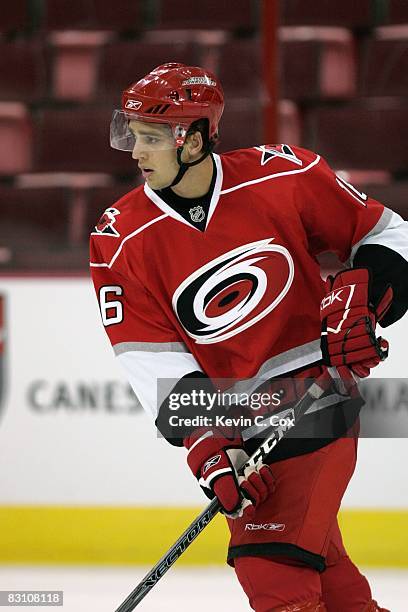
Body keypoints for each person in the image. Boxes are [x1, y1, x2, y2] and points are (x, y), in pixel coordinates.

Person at [90, 63, 408, 611]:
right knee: (330, 581)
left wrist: (370, 295)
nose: (134, 153)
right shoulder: (118, 238)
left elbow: (385, 231)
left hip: (319, 393)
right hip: (239, 414)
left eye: (149, 139)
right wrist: (206, 441)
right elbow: (150, 356)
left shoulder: (282, 174)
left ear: (192, 137)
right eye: (132, 136)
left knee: (273, 568)